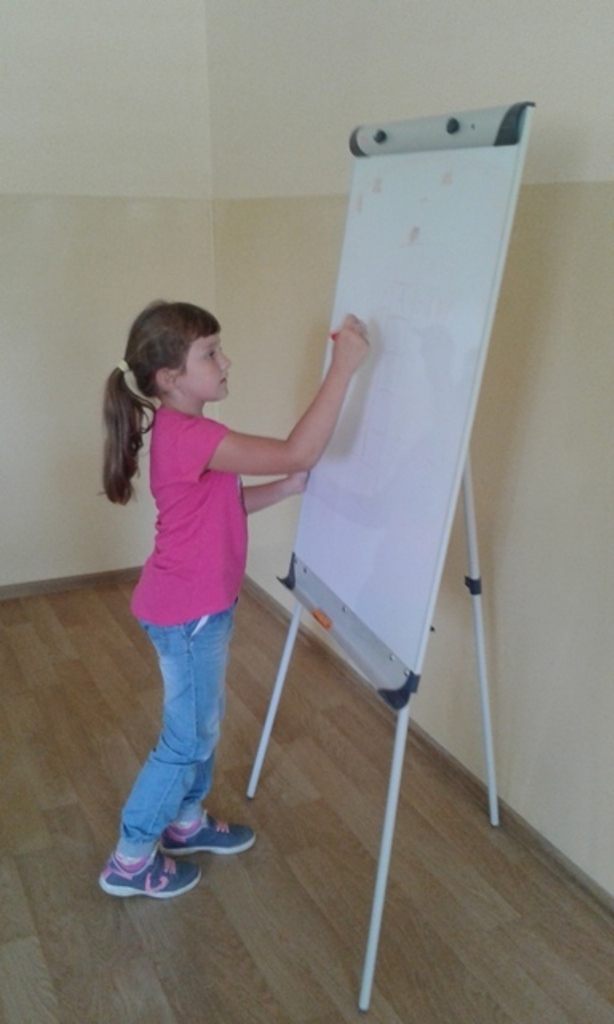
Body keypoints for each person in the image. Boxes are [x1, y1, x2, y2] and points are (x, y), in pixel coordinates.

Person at [98, 300, 369, 898]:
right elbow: (299, 449)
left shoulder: (187, 433)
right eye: (210, 354)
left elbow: (225, 508)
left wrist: (285, 488)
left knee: (202, 724)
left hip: (194, 608)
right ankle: (130, 858)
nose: (226, 362)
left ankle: (185, 821)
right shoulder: (193, 436)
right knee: (185, 740)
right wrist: (344, 366)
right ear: (171, 378)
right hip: (187, 616)